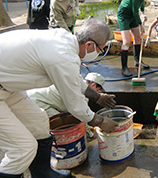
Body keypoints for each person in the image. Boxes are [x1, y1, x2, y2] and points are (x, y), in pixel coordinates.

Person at [0, 18, 118, 178]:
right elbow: (74, 105)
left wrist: (97, 97)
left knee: (40, 121)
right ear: (89, 45)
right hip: (3, 85)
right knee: (22, 148)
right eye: (100, 49)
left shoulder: (64, 40)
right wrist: (101, 122)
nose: (99, 54)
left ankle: (41, 172)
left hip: (9, 86)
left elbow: (74, 79)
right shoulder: (63, 56)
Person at [117, 0, 155, 77]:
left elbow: (141, 2)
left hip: (132, 14)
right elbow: (134, 13)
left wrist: (143, 13)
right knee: (126, 41)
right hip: (124, 15)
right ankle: (124, 67)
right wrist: (140, 24)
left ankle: (138, 61)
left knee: (138, 38)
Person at [27, 72, 108, 118]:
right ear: (93, 85)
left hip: (31, 94)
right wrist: (90, 133)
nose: (97, 93)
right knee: (61, 123)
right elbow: (82, 116)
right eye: (98, 90)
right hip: (37, 101)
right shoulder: (82, 96)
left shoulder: (74, 80)